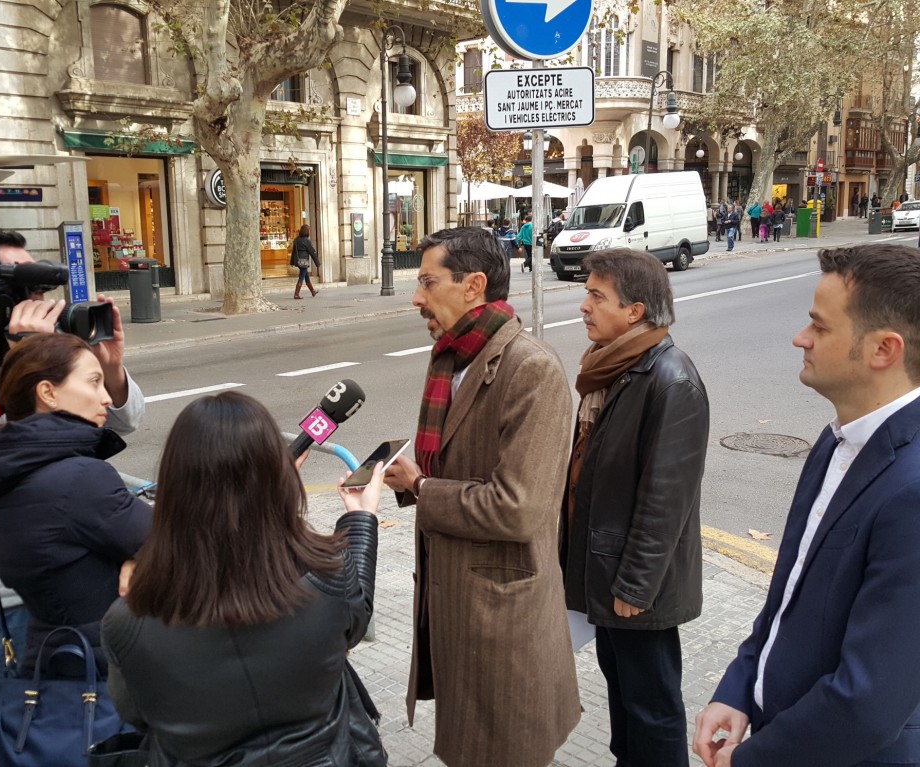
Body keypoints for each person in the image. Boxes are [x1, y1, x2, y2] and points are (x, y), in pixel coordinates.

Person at [0, 227, 144, 767]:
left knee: (61, 715)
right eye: (18, 292)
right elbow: (1, 464)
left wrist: (107, 370)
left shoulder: (39, 367)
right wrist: (28, 362)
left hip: (55, 581)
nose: (36, 306)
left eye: (37, 292)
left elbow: (122, 421)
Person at [694, 244, 920, 767]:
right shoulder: (838, 438)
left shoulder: (911, 492)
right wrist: (741, 684)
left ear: (883, 350)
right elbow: (791, 590)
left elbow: (868, 702)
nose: (800, 338)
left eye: (819, 327)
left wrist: (751, 760)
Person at [383, 227, 581, 767]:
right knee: (467, 745)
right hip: (454, 605)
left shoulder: (531, 369)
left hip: (503, 618)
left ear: (473, 285)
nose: (416, 296)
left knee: (503, 749)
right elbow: (450, 457)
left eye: (427, 281)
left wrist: (420, 488)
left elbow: (518, 509)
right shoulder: (447, 358)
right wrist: (412, 479)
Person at [102, 391, 384, 765]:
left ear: (174, 485)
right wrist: (361, 519)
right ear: (276, 481)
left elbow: (136, 713)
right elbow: (355, 618)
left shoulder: (126, 624)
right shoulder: (328, 577)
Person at [560, 249, 708, 767]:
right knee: (625, 701)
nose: (584, 306)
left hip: (636, 587)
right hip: (609, 574)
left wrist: (635, 587)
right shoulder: (614, 369)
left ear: (636, 311)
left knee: (653, 709)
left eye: (597, 296)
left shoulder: (671, 379)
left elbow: (666, 500)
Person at [0, 333, 152, 681]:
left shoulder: (9, 472)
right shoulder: (79, 478)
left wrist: (137, 554)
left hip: (56, 662)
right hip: (107, 675)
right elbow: (177, 544)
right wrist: (141, 554)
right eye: (94, 381)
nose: (105, 397)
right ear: (48, 393)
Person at [290, 223, 320, 299]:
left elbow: (293, 251)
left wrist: (292, 262)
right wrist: (317, 263)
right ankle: (296, 294)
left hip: (298, 261)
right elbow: (312, 252)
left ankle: (313, 291)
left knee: (306, 277)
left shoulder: (296, 240)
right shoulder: (307, 240)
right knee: (301, 277)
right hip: (304, 261)